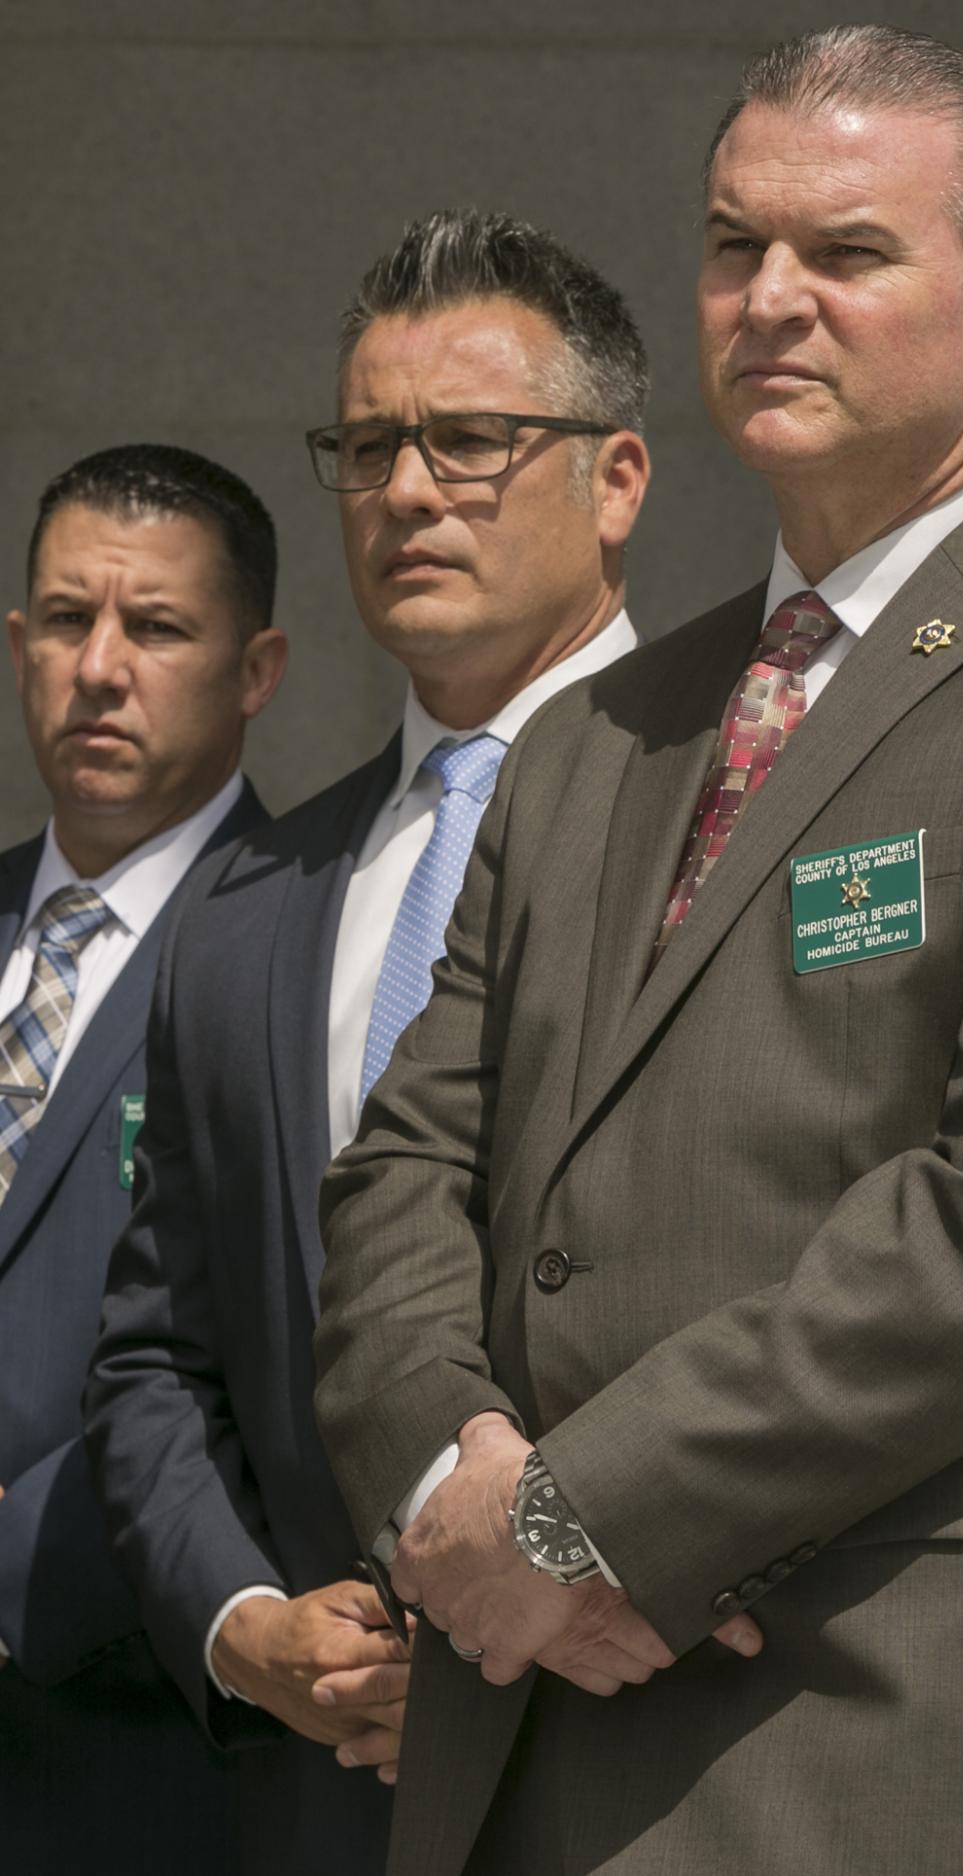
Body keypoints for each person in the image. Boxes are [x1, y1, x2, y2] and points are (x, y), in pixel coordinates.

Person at [311, 25, 963, 1875]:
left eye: (845, 252)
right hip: (516, 1750)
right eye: (731, 247)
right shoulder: (594, 737)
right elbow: (404, 1172)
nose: (771, 298)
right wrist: (454, 1485)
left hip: (884, 1742)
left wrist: (575, 1524)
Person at [83, 209, 653, 1876]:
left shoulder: (756, 813)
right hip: (330, 1805)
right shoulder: (248, 898)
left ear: (615, 478)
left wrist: (545, 1581)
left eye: (471, 442)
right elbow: (159, 1351)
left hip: (664, 1758)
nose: (408, 490)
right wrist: (247, 1619)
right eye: (369, 446)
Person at [0, 444, 282, 1874]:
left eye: (157, 627)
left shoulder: (308, 943)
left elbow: (273, 1352)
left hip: (130, 1757)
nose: (99, 667)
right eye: (64, 620)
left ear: (256, 670)